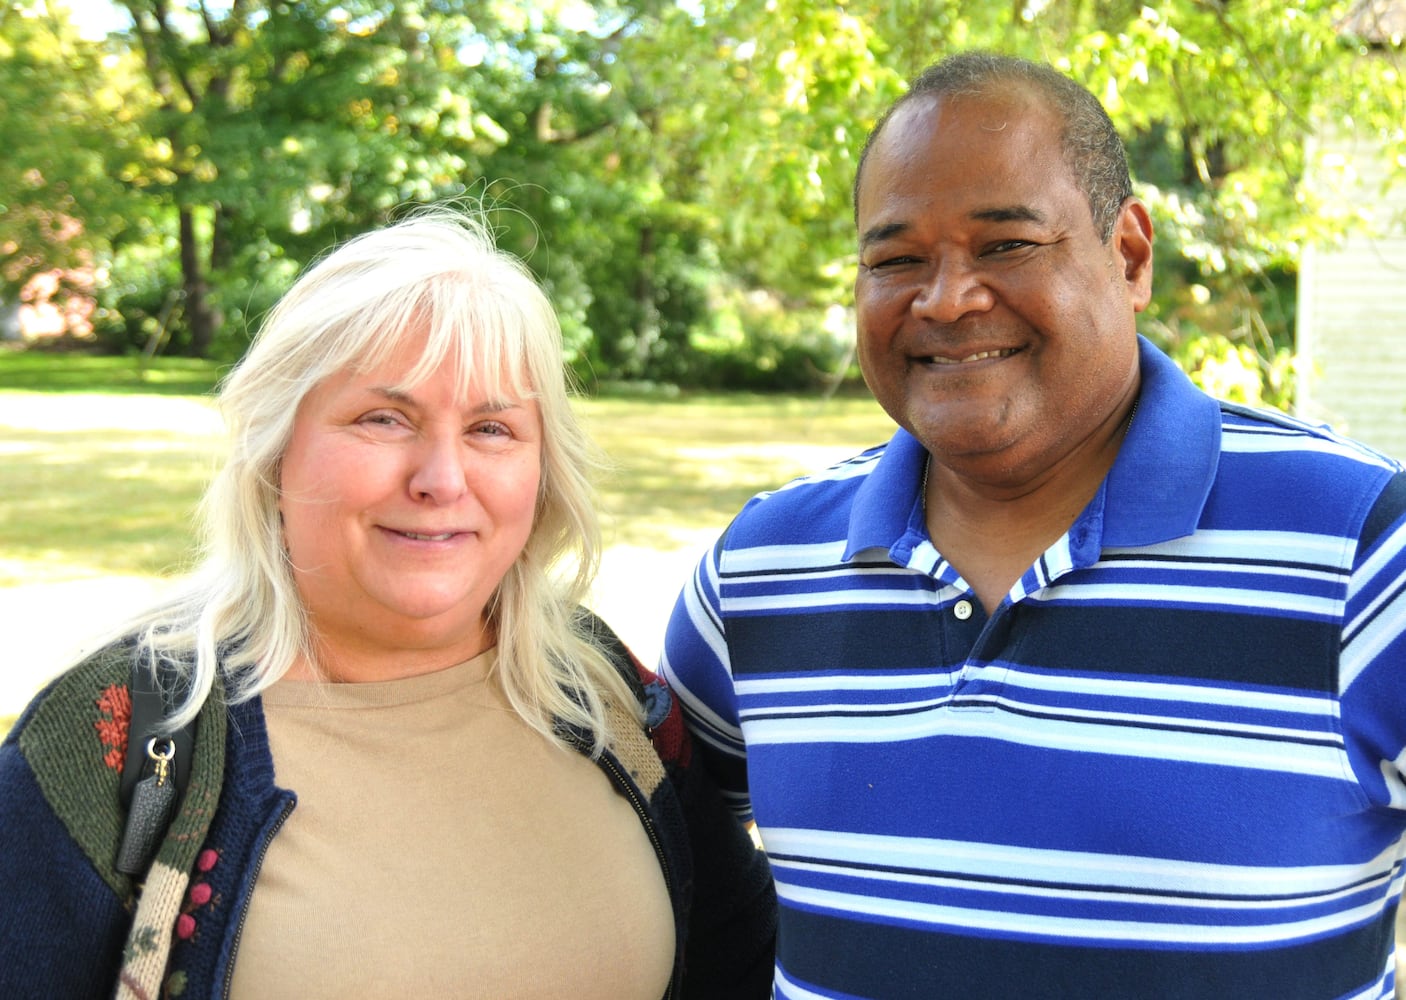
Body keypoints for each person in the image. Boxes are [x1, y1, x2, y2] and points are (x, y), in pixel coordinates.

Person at [659, 50, 1406, 1000]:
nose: (946, 298)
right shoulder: (760, 575)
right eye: (895, 259)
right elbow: (665, 855)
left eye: (1006, 245)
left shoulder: (1364, 551)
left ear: (1130, 256)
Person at [0, 206, 775, 999]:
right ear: (273, 453)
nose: (441, 478)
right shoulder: (116, 739)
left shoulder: (606, 693)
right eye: (384, 418)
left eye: (492, 429)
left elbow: (748, 959)